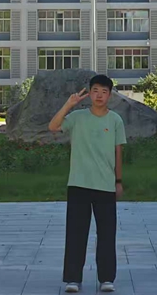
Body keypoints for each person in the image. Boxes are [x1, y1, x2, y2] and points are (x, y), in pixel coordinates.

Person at [48, 74, 126, 293]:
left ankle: (106, 279)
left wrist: (118, 181)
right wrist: (69, 104)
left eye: (104, 91)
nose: (99, 95)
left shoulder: (115, 120)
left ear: (110, 95)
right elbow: (53, 126)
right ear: (90, 93)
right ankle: (73, 279)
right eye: (95, 91)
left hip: (105, 185)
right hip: (79, 184)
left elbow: (118, 152)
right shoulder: (77, 117)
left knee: (107, 234)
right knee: (76, 233)